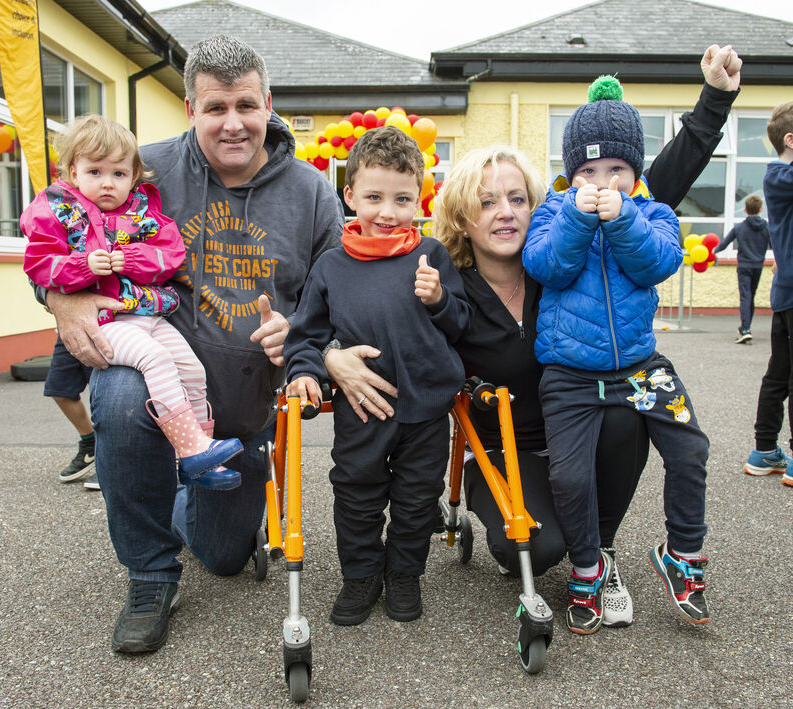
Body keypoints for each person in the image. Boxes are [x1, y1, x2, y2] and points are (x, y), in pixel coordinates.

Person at [324, 45, 742, 632]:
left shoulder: (568, 271)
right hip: (502, 450)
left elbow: (655, 181)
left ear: (541, 205)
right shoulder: (446, 285)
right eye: (486, 201)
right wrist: (327, 355)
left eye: (517, 199)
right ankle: (572, 545)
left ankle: (603, 552)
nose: (504, 213)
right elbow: (366, 312)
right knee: (539, 550)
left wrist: (715, 101)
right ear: (463, 215)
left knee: (626, 415)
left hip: (577, 428)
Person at [35, 36, 344, 653]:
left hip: (244, 405)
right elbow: (51, 240)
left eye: (246, 106)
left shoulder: (312, 192)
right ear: (190, 110)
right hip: (154, 365)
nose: (234, 124)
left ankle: (182, 487)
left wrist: (305, 331)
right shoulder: (138, 171)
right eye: (216, 108)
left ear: (268, 104)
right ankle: (151, 576)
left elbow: (341, 291)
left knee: (225, 558)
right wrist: (64, 302)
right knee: (121, 400)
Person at [523, 76, 710, 635]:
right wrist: (580, 218)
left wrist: (624, 218)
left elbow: (657, 264)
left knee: (690, 448)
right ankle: (588, 568)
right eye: (588, 172)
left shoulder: (653, 213)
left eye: (616, 172)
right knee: (572, 480)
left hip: (640, 366)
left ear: (636, 173)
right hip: (568, 374)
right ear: (570, 173)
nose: (602, 183)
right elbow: (546, 266)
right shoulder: (552, 213)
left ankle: (683, 555)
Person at [284, 126, 470, 625]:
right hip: (361, 410)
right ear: (349, 195)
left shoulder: (431, 256)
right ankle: (361, 576)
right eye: (373, 197)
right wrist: (305, 372)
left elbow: (462, 324)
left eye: (402, 199)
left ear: (419, 198)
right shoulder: (330, 266)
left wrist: (440, 300)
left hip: (427, 410)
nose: (387, 212)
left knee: (415, 501)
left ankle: (404, 575)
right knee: (357, 495)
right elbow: (305, 335)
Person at [22, 115, 244, 491]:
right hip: (109, 320)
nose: (108, 183)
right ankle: (190, 450)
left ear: (134, 176)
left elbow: (170, 255)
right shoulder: (55, 210)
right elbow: (40, 263)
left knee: (192, 368)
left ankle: (202, 455)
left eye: (119, 174)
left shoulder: (141, 212)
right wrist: (82, 265)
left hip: (150, 313)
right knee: (155, 360)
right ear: (73, 173)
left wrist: (134, 258)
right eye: (95, 171)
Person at [743, 101, 793, 487]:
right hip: (790, 292)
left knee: (780, 372)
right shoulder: (780, 175)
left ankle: (765, 451)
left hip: (785, 290)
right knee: (781, 375)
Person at [714, 194, 770, 343]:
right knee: (751, 296)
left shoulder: (739, 227)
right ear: (761, 209)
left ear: (745, 210)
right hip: (758, 266)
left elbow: (723, 245)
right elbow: (776, 246)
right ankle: (746, 327)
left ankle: (745, 329)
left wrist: (710, 252)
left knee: (745, 296)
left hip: (744, 266)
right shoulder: (767, 227)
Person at [43, 336, 96, 485]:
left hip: (102, 325)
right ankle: (91, 443)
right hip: (68, 330)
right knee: (58, 388)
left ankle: (111, 458)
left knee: (104, 393)